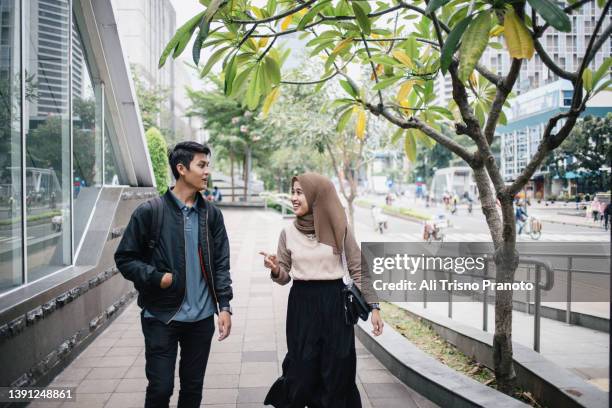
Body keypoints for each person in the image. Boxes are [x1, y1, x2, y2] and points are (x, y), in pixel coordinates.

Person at [114, 141, 234, 408]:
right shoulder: (150, 212)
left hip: (201, 318)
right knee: (160, 388)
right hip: (161, 315)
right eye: (201, 165)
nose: (207, 171)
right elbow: (124, 258)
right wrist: (157, 277)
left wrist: (224, 306)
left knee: (192, 390)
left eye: (207, 165)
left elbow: (221, 264)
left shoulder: (211, 215)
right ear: (181, 168)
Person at [261, 172, 383, 408]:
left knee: (336, 369)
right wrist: (276, 269)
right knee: (302, 368)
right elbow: (284, 277)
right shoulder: (288, 233)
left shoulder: (339, 228)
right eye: (293, 192)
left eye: (300, 192)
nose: (294, 198)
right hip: (302, 305)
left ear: (317, 196)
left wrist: (374, 307)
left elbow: (358, 268)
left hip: (335, 305)